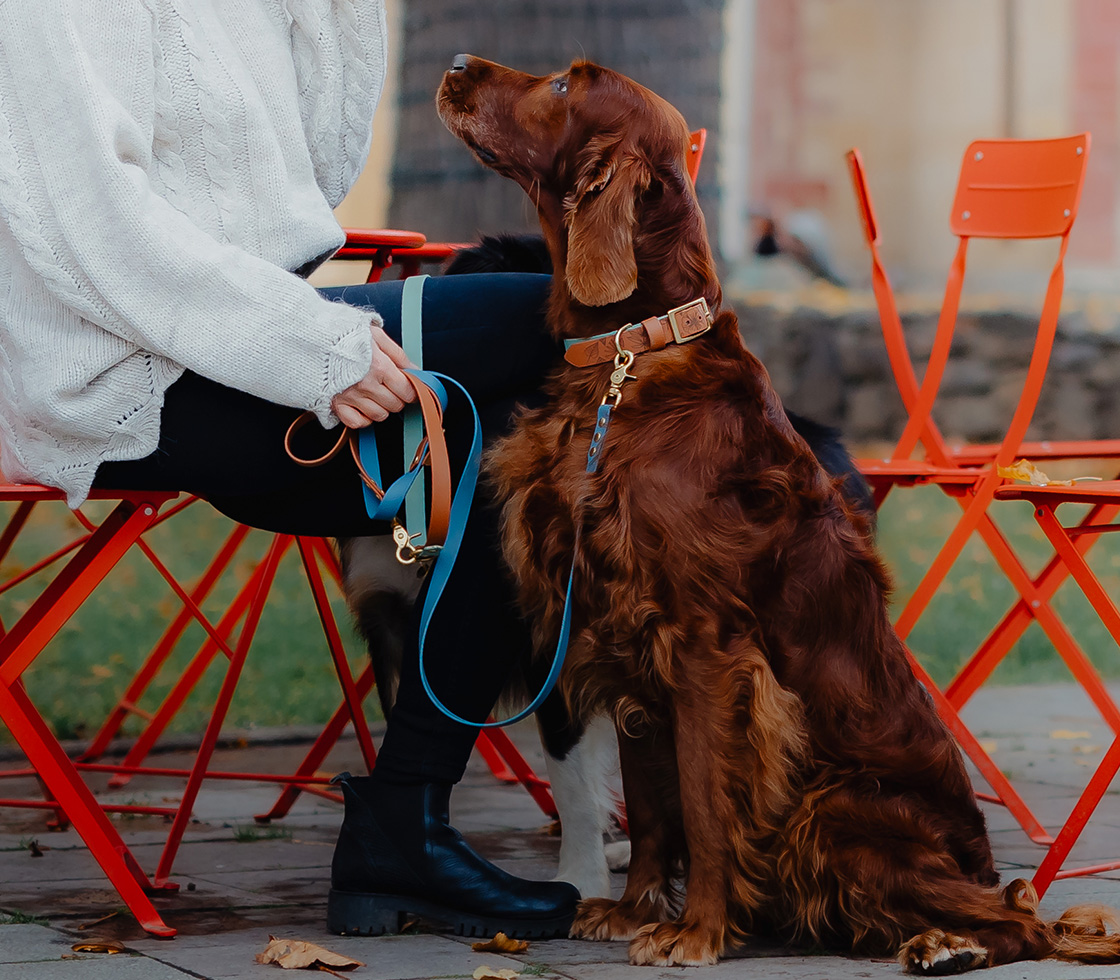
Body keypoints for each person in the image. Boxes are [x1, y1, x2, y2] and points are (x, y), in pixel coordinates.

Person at [0, 0, 578, 938]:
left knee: (514, 423)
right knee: (558, 327)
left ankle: (407, 825)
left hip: (234, 345)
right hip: (121, 370)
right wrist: (308, 349)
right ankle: (414, 820)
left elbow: (309, 173)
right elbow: (92, 221)